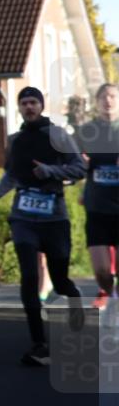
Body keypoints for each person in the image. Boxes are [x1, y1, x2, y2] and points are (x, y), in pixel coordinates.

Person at [0, 86, 86, 366]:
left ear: (41, 106)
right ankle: (39, 345)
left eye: (33, 102)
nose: (29, 107)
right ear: (19, 107)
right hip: (23, 216)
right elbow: (11, 174)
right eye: (24, 103)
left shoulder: (57, 135)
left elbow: (79, 168)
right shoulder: (15, 140)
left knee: (60, 279)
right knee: (29, 276)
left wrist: (50, 171)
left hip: (54, 217)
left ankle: (73, 296)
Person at [74, 83, 119, 311]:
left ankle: (115, 307)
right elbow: (72, 162)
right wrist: (80, 165)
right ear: (97, 102)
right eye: (103, 97)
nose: (108, 101)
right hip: (97, 207)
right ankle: (111, 295)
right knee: (101, 271)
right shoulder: (87, 131)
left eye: (112, 96)